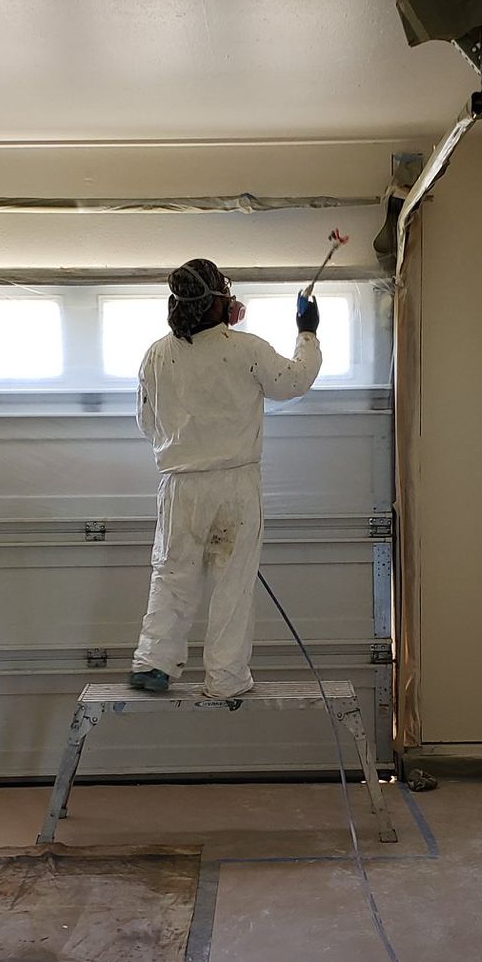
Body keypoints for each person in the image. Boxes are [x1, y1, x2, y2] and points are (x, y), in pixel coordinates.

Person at [128, 258, 322, 697]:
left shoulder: (156, 355)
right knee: (232, 582)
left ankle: (154, 664)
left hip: (179, 486)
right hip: (234, 486)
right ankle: (227, 678)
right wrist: (306, 332)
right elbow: (294, 381)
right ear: (216, 299)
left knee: (172, 573)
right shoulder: (245, 349)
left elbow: (146, 422)